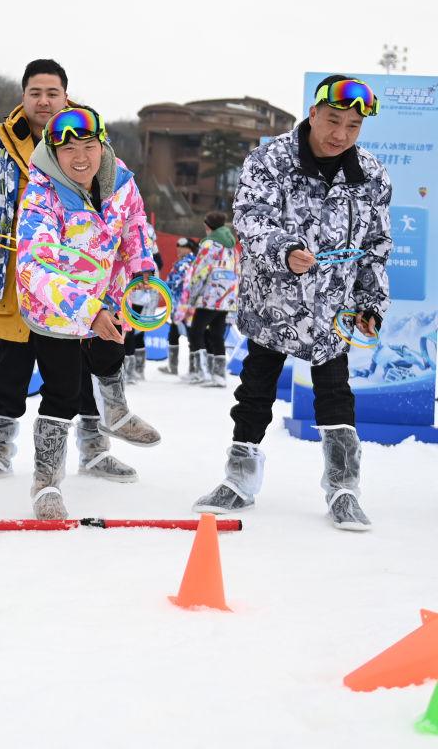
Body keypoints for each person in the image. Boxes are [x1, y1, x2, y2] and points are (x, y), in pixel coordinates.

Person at [193, 76, 391, 532]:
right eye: (334, 120)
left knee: (336, 395)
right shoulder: (271, 159)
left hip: (332, 309)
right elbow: (250, 217)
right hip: (273, 302)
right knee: (256, 389)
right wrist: (284, 250)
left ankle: (344, 490)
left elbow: (377, 245)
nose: (341, 134)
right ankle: (239, 481)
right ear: (314, 112)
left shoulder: (372, 175)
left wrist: (369, 301)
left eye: (354, 126)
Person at [0, 59, 141, 487]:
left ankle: (95, 449)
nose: (43, 101)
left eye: (52, 93)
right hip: (11, 277)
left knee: (81, 367)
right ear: (23, 96)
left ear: (65, 96)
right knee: (10, 370)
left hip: (80, 283)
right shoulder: (0, 147)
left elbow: (120, 198)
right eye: (35, 93)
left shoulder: (87, 135)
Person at [15, 106, 161, 518]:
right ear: (52, 151)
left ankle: (115, 414)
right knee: (63, 390)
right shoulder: (41, 196)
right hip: (55, 308)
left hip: (107, 294)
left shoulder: (121, 181)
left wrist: (141, 268)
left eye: (89, 146)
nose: (81, 158)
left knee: (110, 354)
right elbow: (34, 265)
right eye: (69, 150)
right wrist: (87, 310)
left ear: (103, 145)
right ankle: (45, 483)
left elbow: (133, 224)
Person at [180, 211, 239, 387]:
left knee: (195, 332)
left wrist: (191, 294)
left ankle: (199, 372)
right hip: (226, 297)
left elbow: (199, 272)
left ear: (208, 226)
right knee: (216, 334)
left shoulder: (208, 245)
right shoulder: (231, 247)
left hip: (209, 296)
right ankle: (218, 375)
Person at [122, 223, 164, 383]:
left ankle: (130, 371)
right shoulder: (149, 232)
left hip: (138, 286)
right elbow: (159, 262)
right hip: (151, 287)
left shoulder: (133, 227)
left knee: (130, 329)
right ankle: (138, 370)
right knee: (138, 331)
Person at [158, 237, 197, 375]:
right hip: (179, 305)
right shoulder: (186, 261)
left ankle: (193, 369)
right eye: (177, 246)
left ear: (190, 248)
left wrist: (160, 285)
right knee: (174, 334)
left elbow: (175, 282)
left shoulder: (186, 263)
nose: (178, 249)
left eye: (183, 246)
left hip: (184, 306)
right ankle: (175, 367)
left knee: (191, 336)